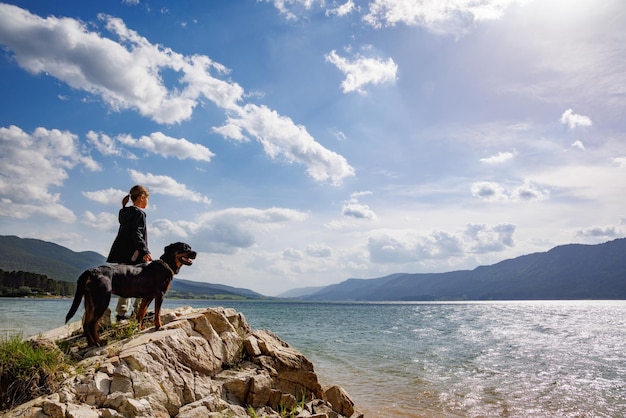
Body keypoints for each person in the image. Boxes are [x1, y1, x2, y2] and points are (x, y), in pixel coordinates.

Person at [107, 185, 152, 321]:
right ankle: (139, 311)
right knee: (144, 281)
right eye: (147, 199)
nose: (147, 202)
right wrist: (144, 251)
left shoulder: (124, 212)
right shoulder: (139, 213)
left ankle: (121, 314)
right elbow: (136, 233)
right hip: (135, 254)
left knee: (126, 283)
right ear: (141, 197)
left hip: (122, 254)